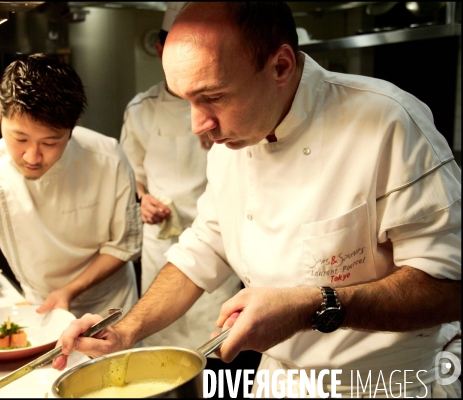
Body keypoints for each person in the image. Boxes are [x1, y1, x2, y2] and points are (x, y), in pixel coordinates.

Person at [53, 2, 461, 397]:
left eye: (213, 97)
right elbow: (206, 246)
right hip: (277, 381)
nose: (199, 126)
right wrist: (128, 328)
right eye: (187, 100)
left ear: (280, 66)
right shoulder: (231, 140)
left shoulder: (387, 122)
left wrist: (311, 305)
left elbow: (449, 288)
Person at [0, 54, 142, 398]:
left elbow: (122, 246)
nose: (33, 156)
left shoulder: (107, 158)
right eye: (20, 138)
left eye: (51, 142)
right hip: (42, 318)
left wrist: (69, 291)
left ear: (73, 124)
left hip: (109, 312)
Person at [119, 0, 257, 384]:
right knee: (160, 355)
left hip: (220, 241)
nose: (200, 123)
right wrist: (142, 199)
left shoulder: (247, 117)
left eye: (211, 99)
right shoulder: (142, 109)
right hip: (165, 247)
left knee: (217, 356)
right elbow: (132, 177)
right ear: (162, 51)